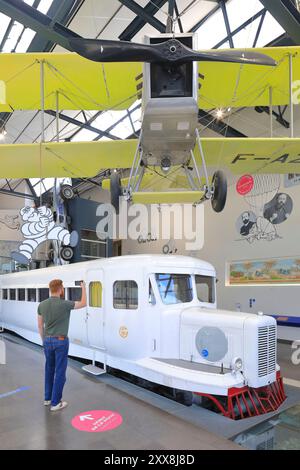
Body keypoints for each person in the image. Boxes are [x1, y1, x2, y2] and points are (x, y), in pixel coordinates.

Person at [37, 279, 86, 412]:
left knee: (49, 369)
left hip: (47, 340)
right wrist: (83, 287)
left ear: (50, 289)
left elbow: (40, 326)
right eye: (63, 288)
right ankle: (56, 403)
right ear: (60, 289)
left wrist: (44, 340)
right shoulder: (65, 304)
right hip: (61, 341)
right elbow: (83, 303)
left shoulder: (42, 305)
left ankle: (47, 398)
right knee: (60, 372)